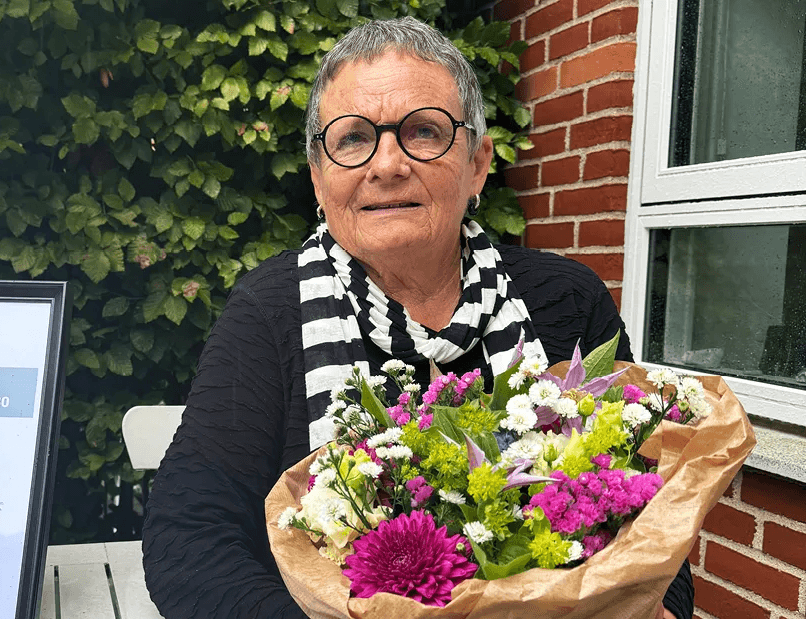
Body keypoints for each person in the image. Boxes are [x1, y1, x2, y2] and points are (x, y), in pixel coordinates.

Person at [142, 16, 693, 619]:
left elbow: (655, 518)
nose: (386, 164)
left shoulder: (569, 299)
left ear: (478, 164)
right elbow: (188, 537)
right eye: (352, 139)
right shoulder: (268, 312)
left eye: (423, 131)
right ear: (319, 177)